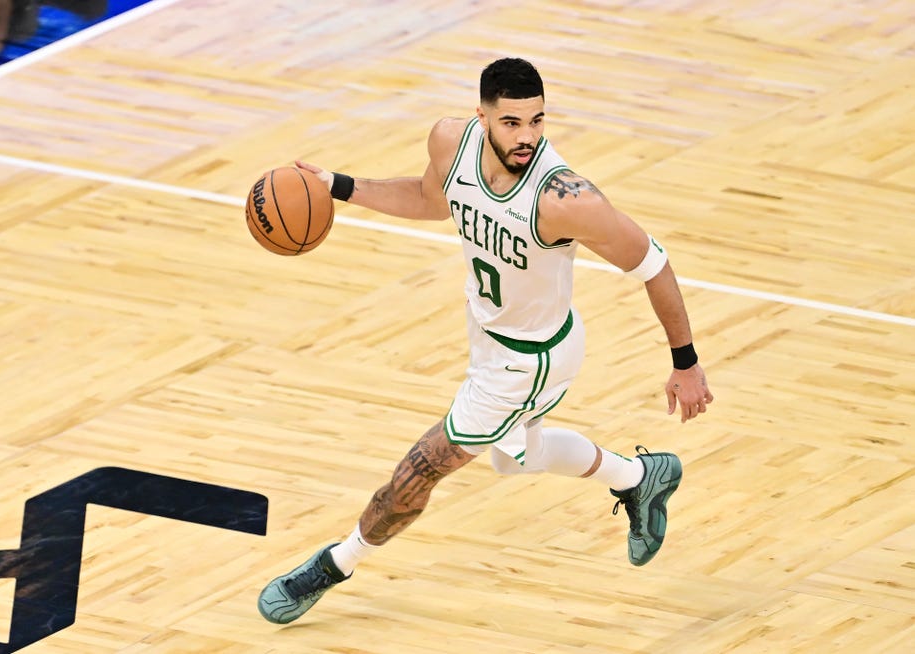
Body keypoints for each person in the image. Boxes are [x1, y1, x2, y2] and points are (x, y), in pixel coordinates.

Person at [257, 57, 713, 625]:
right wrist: (338, 187)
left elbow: (654, 264)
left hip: (529, 360)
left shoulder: (567, 199)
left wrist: (686, 363)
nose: (526, 138)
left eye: (537, 122)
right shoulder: (451, 141)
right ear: (482, 117)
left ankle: (334, 564)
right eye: (511, 124)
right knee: (515, 460)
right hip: (488, 332)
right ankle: (642, 478)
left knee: (420, 470)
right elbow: (430, 199)